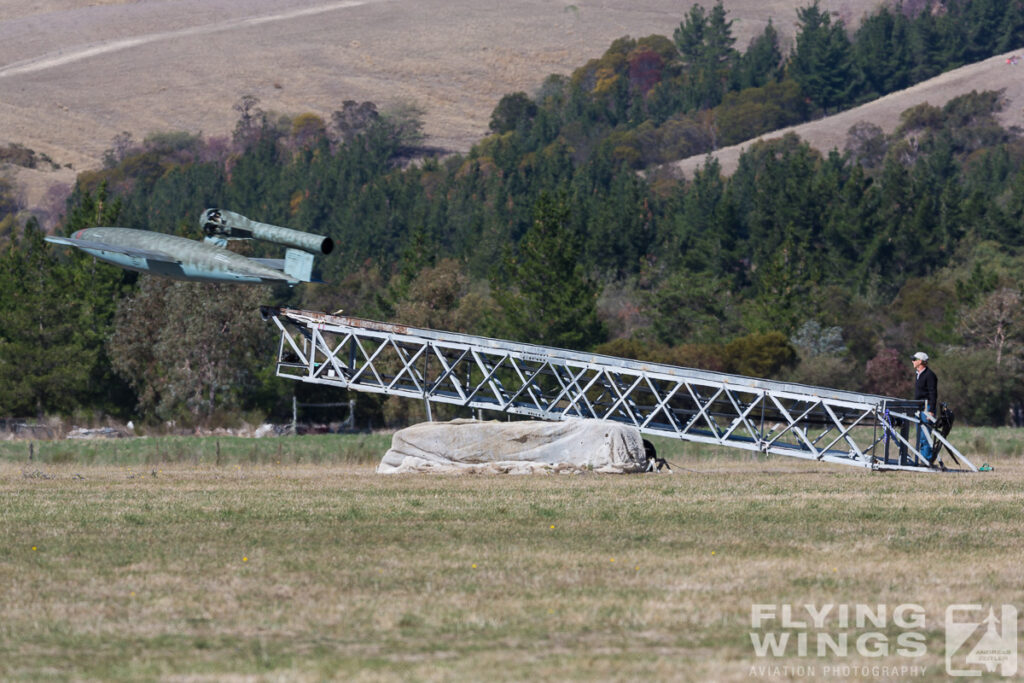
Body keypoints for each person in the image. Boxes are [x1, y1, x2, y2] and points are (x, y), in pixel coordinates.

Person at [911, 351, 939, 466]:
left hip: (927, 408)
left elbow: (933, 393)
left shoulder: (930, 375)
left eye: (914, 359)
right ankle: (923, 459)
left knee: (925, 436)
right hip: (919, 408)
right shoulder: (918, 374)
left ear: (921, 362)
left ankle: (926, 460)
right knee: (920, 435)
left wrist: (931, 411)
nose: (912, 361)